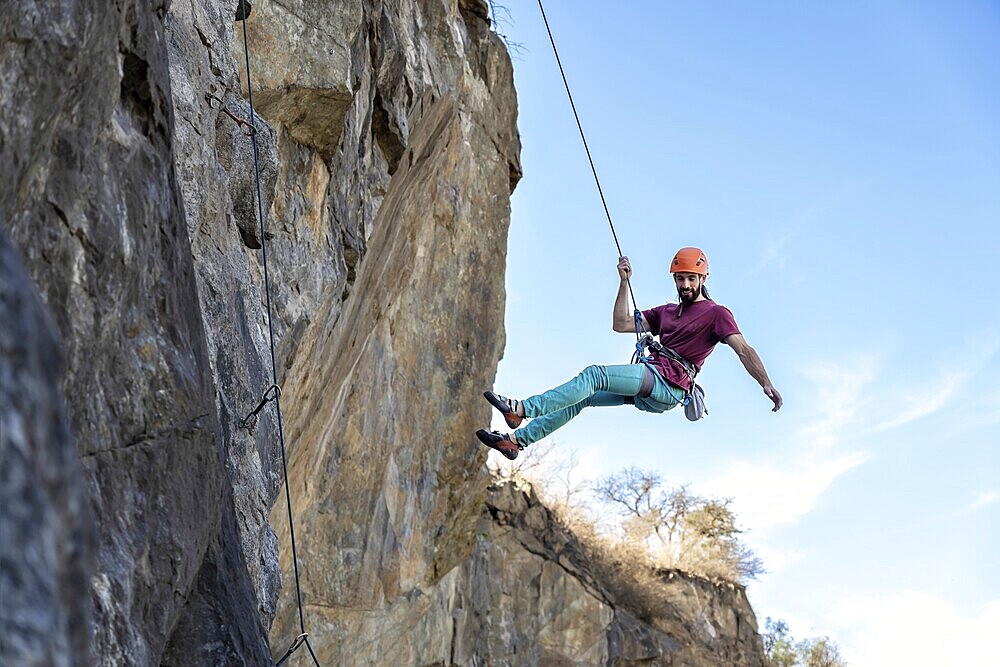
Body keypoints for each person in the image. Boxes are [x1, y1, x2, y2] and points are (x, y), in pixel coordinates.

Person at [476, 247, 782, 460]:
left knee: (595, 375)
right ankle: (516, 442)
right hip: (652, 385)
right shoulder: (667, 312)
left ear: (703, 279)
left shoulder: (716, 313)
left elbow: (744, 350)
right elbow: (620, 323)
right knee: (580, 398)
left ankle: (523, 408)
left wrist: (765, 383)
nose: (685, 284)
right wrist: (623, 283)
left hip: (667, 384)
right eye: (680, 278)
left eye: (691, 278)